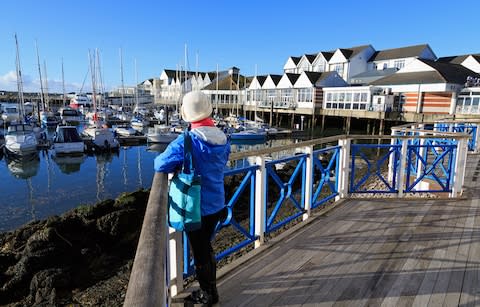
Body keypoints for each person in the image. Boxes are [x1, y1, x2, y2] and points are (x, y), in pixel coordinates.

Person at [154, 91, 230, 306]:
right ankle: (210, 290)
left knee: (200, 251)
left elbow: (159, 164)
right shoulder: (223, 138)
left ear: (186, 113)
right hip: (217, 203)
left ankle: (208, 295)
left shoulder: (187, 141)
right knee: (205, 247)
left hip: (195, 206)